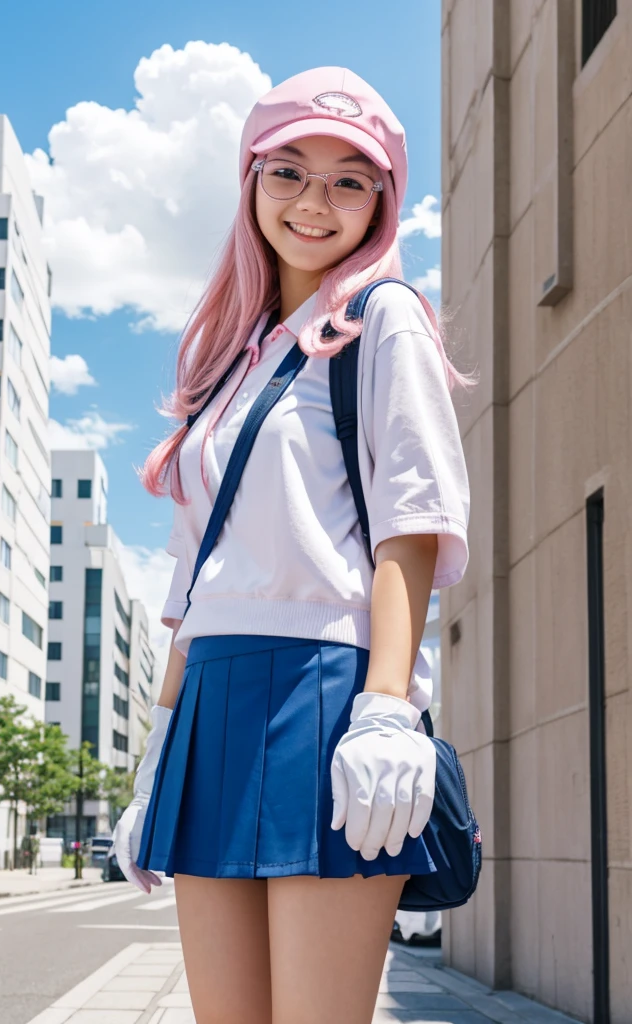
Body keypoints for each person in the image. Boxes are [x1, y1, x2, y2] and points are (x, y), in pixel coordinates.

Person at [113, 66, 471, 1024]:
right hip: (211, 694)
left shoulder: (380, 319)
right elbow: (194, 573)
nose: (314, 201)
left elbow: (413, 524)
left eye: (349, 178)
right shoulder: (225, 358)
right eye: (289, 171)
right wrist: (157, 742)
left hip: (327, 696)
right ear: (251, 181)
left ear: (382, 200)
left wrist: (387, 708)